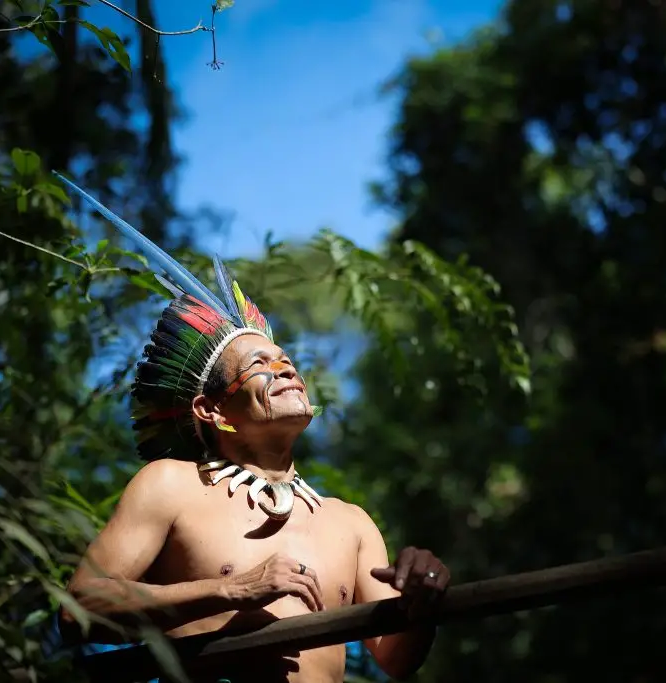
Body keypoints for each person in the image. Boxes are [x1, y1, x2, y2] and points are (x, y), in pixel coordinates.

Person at [53, 174, 450, 682]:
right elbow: (80, 608)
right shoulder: (171, 485)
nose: (286, 369)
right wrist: (232, 589)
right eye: (261, 363)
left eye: (287, 361)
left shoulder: (351, 523)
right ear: (211, 410)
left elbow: (396, 659)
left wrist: (423, 603)